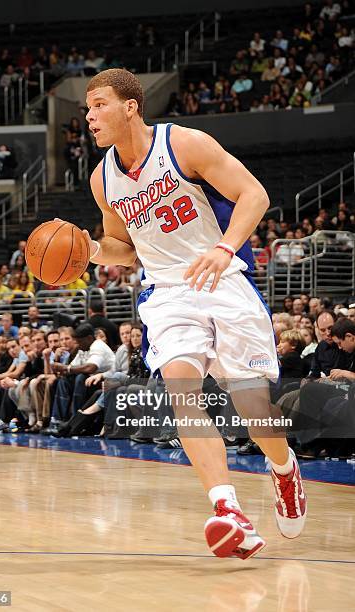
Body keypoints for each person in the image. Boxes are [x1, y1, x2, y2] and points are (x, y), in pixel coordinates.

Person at [64, 68, 307, 561]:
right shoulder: (102, 178)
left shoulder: (185, 145)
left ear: (131, 106)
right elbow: (126, 249)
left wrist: (224, 247)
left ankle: (284, 470)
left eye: (99, 105)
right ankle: (228, 509)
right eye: (87, 109)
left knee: (254, 411)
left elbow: (254, 194)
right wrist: (90, 248)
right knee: (180, 388)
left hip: (222, 280)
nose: (89, 117)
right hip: (169, 293)